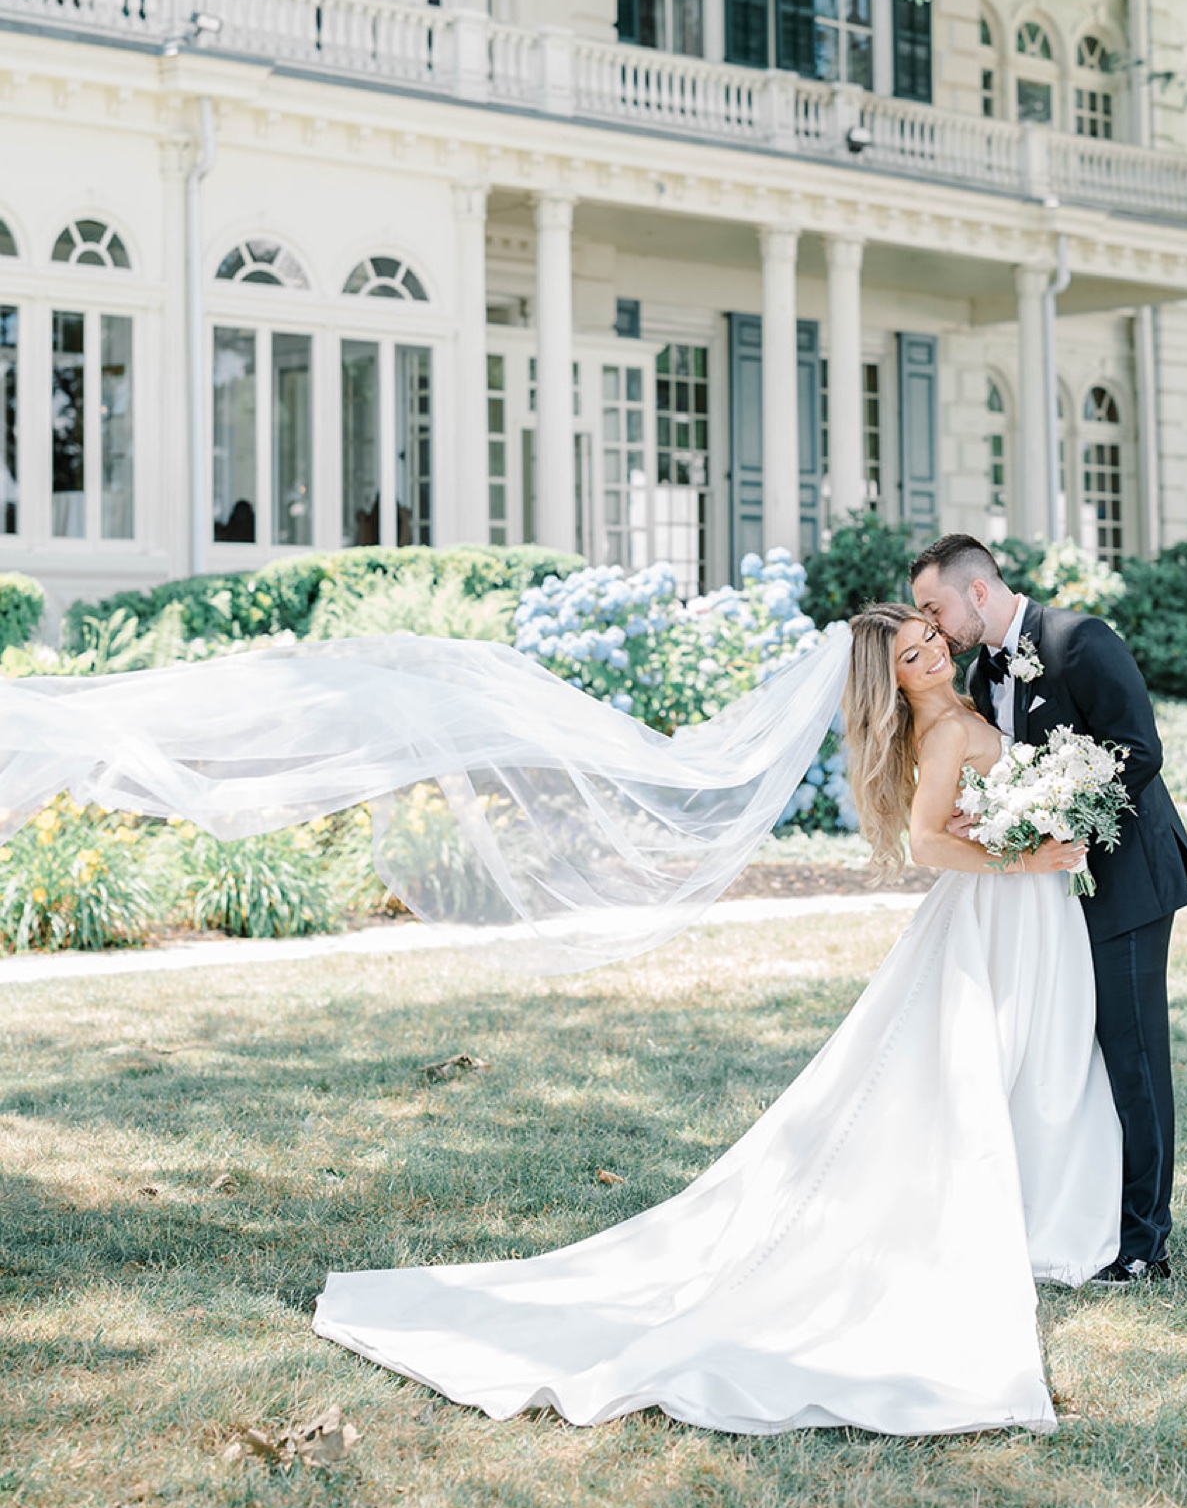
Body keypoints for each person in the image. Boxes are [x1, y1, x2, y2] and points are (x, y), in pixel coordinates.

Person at [312, 605, 1122, 1435]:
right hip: (995, 909)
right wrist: (1024, 852)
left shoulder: (965, 703)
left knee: (1015, 1059)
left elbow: (963, 812)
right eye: (913, 658)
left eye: (929, 641)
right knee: (973, 1069)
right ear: (894, 681)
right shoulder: (944, 731)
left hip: (1017, 912)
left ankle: (1041, 1215)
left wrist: (1029, 816)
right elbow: (925, 844)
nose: (933, 660)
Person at [910, 532, 1187, 1284]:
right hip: (1047, 893)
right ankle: (1082, 1211)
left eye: (934, 607)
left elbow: (1139, 751)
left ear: (977, 592)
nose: (934, 626)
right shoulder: (982, 667)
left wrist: (1050, 817)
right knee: (1073, 1056)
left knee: (1133, 1057)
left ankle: (1144, 1243)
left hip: (1126, 880)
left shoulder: (1081, 640)